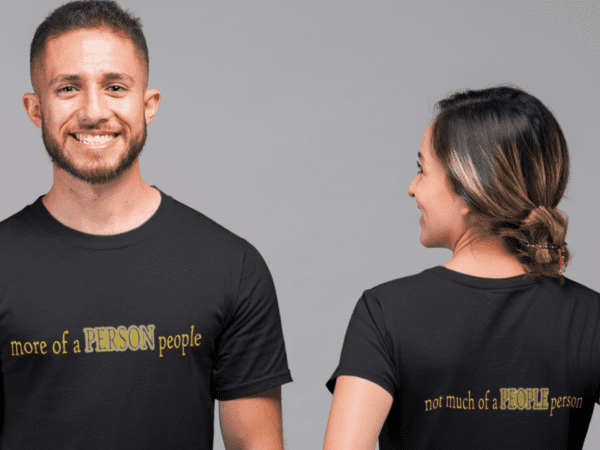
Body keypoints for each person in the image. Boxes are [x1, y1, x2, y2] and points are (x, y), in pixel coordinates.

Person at [0, 1, 292, 448]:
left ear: (148, 104)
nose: (94, 111)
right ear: (35, 109)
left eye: (115, 87)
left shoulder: (231, 267)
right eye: (67, 89)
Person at [323, 85, 600, 449]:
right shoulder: (591, 317)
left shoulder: (386, 312)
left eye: (422, 170)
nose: (412, 188)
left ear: (470, 188)